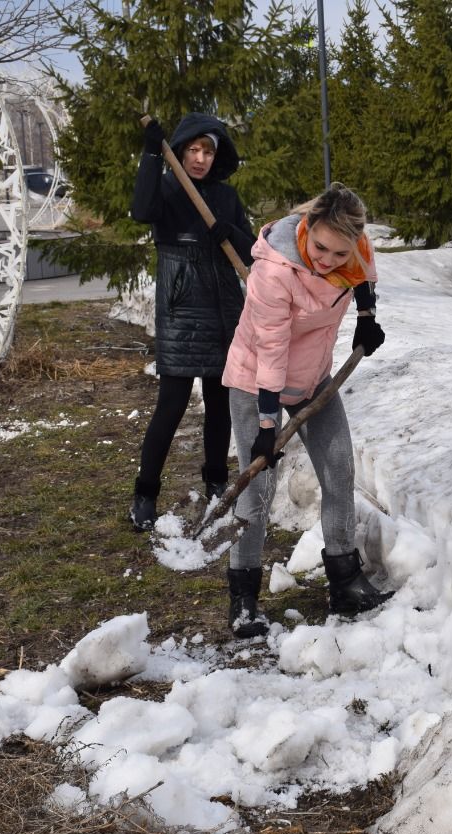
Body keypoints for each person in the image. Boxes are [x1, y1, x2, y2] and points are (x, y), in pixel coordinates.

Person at [221, 183, 391, 638]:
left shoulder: (352, 250)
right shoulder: (273, 273)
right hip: (256, 382)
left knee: (339, 472)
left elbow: (363, 272)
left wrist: (367, 316)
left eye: (339, 253)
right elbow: (271, 350)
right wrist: (266, 423)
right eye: (320, 247)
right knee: (257, 491)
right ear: (307, 227)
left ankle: (345, 581)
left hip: (316, 380)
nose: (328, 260)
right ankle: (244, 598)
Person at [127, 113, 255, 531]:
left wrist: (227, 232)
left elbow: (252, 251)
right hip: (182, 308)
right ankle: (145, 493)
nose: (199, 159)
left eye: (208, 151)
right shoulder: (167, 188)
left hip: (224, 309)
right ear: (180, 151)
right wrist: (150, 153)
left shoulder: (226, 196)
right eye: (193, 150)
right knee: (172, 404)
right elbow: (141, 211)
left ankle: (217, 483)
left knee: (220, 406)